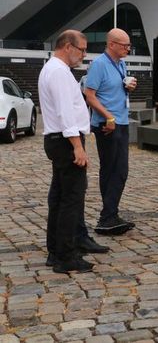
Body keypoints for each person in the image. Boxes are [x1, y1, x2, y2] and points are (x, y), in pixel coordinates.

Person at [38, 30, 99, 273]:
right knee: (71, 199)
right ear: (67, 46)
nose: (84, 54)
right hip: (65, 141)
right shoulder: (59, 72)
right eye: (81, 49)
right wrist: (77, 146)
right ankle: (66, 255)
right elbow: (65, 112)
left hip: (58, 139)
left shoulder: (51, 69)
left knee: (59, 197)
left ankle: (55, 250)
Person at [84, 28, 137, 235]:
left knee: (114, 170)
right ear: (112, 44)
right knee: (116, 170)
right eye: (125, 45)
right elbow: (90, 95)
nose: (128, 48)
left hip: (120, 121)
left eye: (129, 45)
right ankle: (107, 217)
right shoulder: (99, 64)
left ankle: (110, 215)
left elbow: (114, 89)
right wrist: (108, 116)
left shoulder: (121, 63)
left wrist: (128, 87)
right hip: (108, 124)